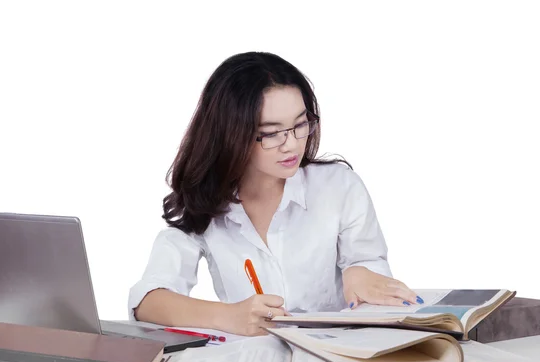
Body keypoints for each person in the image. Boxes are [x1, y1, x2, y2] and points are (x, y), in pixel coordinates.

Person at [128, 51, 421, 336]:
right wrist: (230, 316)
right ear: (231, 133)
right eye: (271, 133)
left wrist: (360, 272)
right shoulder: (204, 204)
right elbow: (148, 301)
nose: (291, 144)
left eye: (300, 125)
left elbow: (372, 272)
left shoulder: (339, 186)